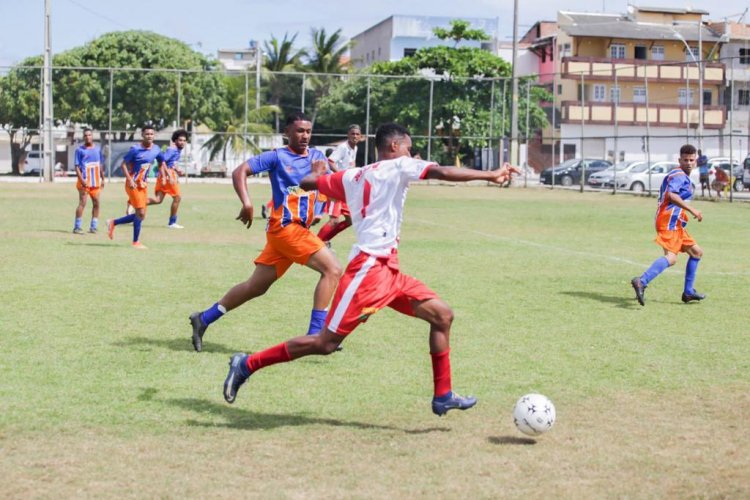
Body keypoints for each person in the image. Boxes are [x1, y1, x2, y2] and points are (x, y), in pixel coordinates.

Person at [221, 122, 520, 416]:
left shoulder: (353, 175)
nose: (411, 154)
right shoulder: (398, 166)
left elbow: (311, 184)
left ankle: (443, 395)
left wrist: (315, 174)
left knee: (442, 316)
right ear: (395, 146)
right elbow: (441, 171)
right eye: (408, 148)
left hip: (390, 271)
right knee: (325, 343)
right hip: (368, 271)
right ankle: (247, 364)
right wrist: (490, 174)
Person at [189, 112, 343, 352]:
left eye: (308, 131)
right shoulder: (277, 157)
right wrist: (247, 203)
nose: (305, 135)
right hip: (286, 228)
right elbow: (240, 171)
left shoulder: (317, 157)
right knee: (332, 270)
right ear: (287, 133)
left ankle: (204, 318)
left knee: (255, 287)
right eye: (300, 130)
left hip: (292, 231)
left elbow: (332, 183)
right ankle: (316, 335)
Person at [631, 144, 705, 306]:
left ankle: (688, 292)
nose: (688, 163)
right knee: (671, 258)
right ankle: (641, 281)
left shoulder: (682, 176)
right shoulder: (678, 175)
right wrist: (692, 209)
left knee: (696, 253)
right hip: (667, 221)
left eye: (691, 160)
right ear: (679, 160)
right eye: (685, 160)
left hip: (675, 222)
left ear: (696, 160)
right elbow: (672, 196)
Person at [106, 125, 166, 250]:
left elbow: (162, 161)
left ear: (154, 135)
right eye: (147, 134)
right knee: (141, 213)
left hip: (143, 185)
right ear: (142, 135)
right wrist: (129, 179)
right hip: (132, 184)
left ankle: (113, 222)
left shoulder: (156, 149)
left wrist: (163, 174)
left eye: (151, 134)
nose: (149, 136)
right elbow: (123, 164)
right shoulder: (135, 149)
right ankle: (136, 242)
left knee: (141, 215)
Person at [316, 124, 361, 245]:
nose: (355, 136)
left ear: (360, 136)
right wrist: (341, 175)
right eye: (352, 133)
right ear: (348, 135)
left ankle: (324, 240)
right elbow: (330, 162)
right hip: (336, 186)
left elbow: (350, 164)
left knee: (350, 220)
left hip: (345, 188)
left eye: (357, 134)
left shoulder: (354, 148)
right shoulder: (343, 147)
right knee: (334, 220)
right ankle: (316, 244)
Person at [148, 129, 188, 228]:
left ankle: (137, 203)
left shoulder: (177, 150)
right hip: (167, 174)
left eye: (184, 140)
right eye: (180, 140)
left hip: (166, 174)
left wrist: (177, 170)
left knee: (158, 200)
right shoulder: (172, 149)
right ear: (175, 140)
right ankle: (172, 223)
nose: (182, 142)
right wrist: (168, 176)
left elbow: (171, 163)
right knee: (177, 197)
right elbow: (162, 162)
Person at [72, 128, 105, 234]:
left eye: (89, 135)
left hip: (95, 182)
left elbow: (99, 165)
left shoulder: (98, 149)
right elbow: (77, 167)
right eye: (85, 135)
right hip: (84, 182)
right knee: (82, 203)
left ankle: (93, 227)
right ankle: (77, 227)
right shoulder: (79, 150)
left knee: (97, 203)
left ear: (92, 136)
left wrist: (103, 178)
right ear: (83, 137)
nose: (88, 137)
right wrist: (82, 180)